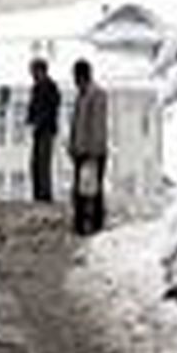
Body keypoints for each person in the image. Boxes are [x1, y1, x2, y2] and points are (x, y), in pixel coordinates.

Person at [68, 59, 109, 236]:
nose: (75, 81)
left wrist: (93, 151)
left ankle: (95, 224)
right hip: (80, 151)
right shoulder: (81, 96)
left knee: (93, 190)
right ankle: (80, 223)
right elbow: (76, 124)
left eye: (76, 77)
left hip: (93, 152)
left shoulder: (97, 95)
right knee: (80, 189)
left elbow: (97, 125)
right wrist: (72, 145)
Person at [26, 59, 61, 202]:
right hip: (39, 129)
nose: (32, 74)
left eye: (33, 71)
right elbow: (33, 106)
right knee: (36, 162)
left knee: (43, 162)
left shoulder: (50, 86)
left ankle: (44, 194)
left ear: (41, 70)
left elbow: (51, 108)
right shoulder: (37, 87)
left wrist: (38, 120)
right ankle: (38, 193)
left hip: (46, 129)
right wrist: (30, 118)